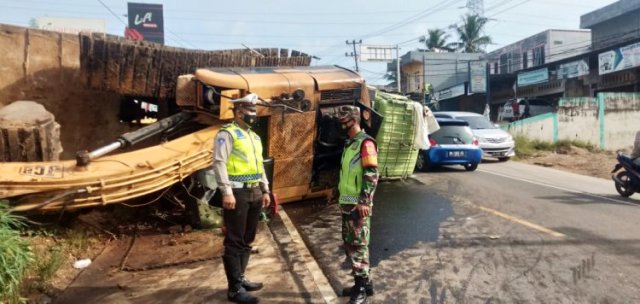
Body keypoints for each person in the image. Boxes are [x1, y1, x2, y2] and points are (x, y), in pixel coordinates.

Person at [212, 93, 271, 304]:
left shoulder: (254, 137)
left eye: (255, 111)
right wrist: (226, 192)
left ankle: (241, 276)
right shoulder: (227, 134)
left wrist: (265, 190)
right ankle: (234, 289)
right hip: (237, 193)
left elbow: (259, 165)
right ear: (238, 112)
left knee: (248, 238)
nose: (253, 115)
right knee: (234, 240)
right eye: (249, 111)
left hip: (255, 191)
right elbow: (219, 163)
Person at [332, 105, 379, 304]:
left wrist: (364, 200)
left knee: (358, 245)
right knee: (351, 244)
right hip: (346, 202)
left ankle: (360, 289)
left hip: (357, 205)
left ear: (354, 120)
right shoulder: (349, 144)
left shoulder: (365, 143)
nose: (341, 123)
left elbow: (371, 174)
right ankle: (365, 284)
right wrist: (335, 191)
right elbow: (347, 174)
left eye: (344, 120)